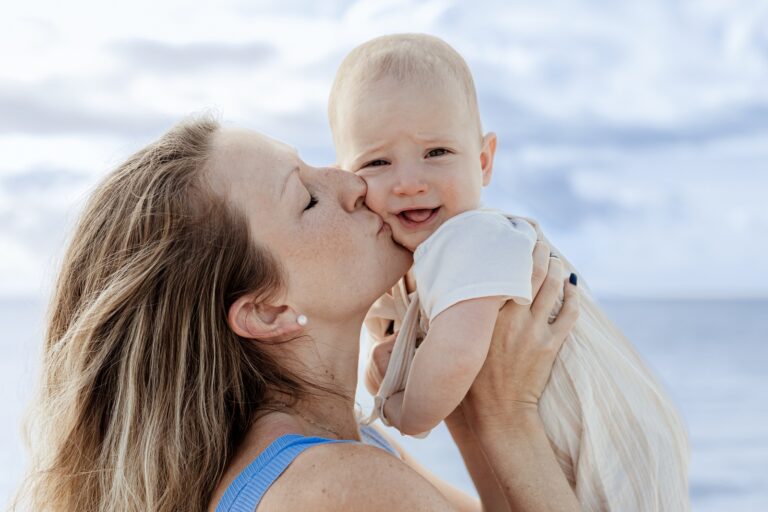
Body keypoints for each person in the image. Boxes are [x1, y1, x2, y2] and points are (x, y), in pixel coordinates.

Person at [15, 116, 581, 511]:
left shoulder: (336, 453)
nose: (353, 181)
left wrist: (467, 393)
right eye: (307, 198)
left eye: (316, 166)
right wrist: (510, 414)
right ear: (266, 311)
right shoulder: (345, 487)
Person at [327, 34, 690, 510]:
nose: (410, 182)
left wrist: (399, 409)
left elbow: (450, 367)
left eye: (436, 152)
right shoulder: (414, 267)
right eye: (378, 162)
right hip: (574, 451)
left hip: (615, 449)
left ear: (483, 161)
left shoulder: (471, 238)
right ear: (349, 180)